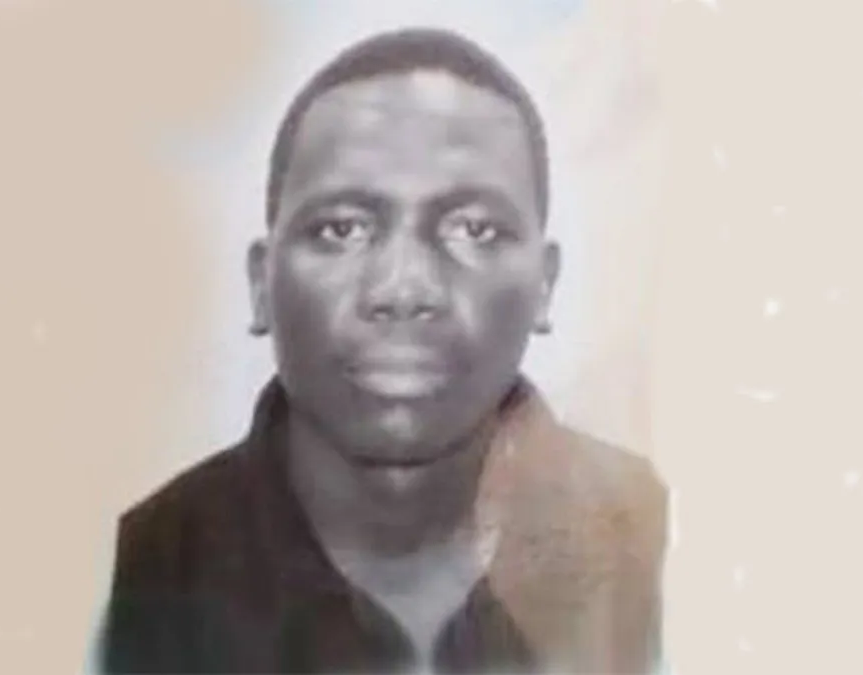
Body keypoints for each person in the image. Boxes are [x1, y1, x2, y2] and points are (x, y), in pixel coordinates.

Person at [97, 27, 668, 674]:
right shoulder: (134, 567)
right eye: (342, 228)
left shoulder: (666, 540)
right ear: (261, 283)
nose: (403, 289)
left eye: (474, 229)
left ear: (544, 285)